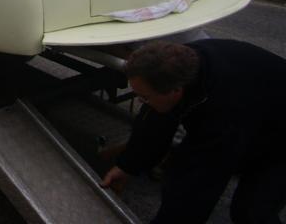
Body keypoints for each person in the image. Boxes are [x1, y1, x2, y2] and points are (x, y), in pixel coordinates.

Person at [101, 38, 286, 223]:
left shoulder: (221, 113)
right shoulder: (174, 65)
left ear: (176, 91)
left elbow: (198, 182)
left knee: (251, 212)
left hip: (276, 137)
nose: (142, 102)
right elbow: (156, 119)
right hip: (258, 106)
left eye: (145, 98)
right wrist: (127, 166)